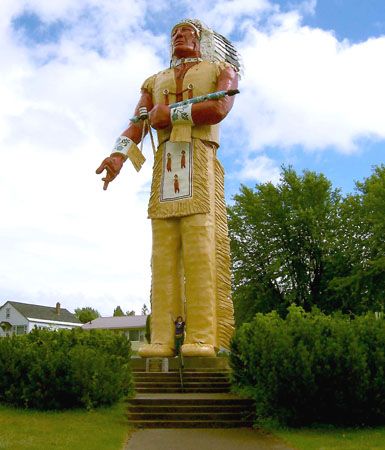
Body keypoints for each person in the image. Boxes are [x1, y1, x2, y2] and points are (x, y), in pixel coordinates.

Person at [96, 19, 240, 357]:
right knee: (161, 257)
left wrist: (172, 113)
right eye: (174, 33)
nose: (179, 36)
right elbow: (137, 123)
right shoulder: (154, 81)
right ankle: (160, 338)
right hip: (165, 170)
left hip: (200, 161)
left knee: (201, 251)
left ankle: (203, 337)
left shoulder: (221, 70)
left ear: (200, 38)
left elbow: (219, 107)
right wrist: (117, 156)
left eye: (187, 32)